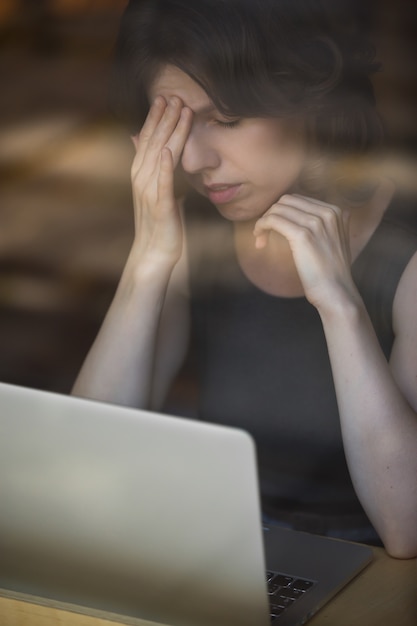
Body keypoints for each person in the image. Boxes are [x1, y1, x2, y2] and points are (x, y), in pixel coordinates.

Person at [72, 0, 417, 558]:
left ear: (310, 98)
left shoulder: (407, 254)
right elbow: (82, 471)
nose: (192, 160)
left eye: (226, 121)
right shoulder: (196, 236)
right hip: (230, 558)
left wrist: (339, 307)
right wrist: (147, 262)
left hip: (370, 577)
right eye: (173, 126)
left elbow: (407, 528)